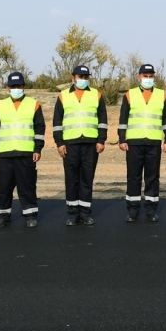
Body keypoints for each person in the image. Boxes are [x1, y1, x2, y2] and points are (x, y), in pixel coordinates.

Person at [53, 65, 107, 226]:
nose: (82, 79)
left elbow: (102, 120)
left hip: (90, 144)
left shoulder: (96, 95)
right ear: (73, 77)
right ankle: (72, 214)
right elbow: (57, 122)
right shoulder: (63, 96)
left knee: (86, 179)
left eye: (85, 77)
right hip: (70, 144)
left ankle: (85, 213)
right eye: (80, 76)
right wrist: (59, 143)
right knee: (71, 179)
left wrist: (101, 140)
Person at [0, 71, 45, 229]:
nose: (16, 88)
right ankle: (3, 216)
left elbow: (39, 128)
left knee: (27, 186)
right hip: (4, 154)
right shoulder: (0, 105)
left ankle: (30, 215)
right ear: (8, 87)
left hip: (26, 153)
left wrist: (37, 149)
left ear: (23, 86)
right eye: (13, 86)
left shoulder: (34, 104)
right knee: (4, 187)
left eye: (18, 85)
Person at [118, 64, 166, 223]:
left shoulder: (162, 95)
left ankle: (151, 210)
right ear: (139, 77)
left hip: (154, 142)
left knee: (152, 177)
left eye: (150, 76)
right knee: (133, 177)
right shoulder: (130, 94)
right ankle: (133, 211)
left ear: (154, 77)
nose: (148, 79)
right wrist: (122, 139)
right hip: (134, 143)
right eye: (145, 75)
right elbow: (123, 120)